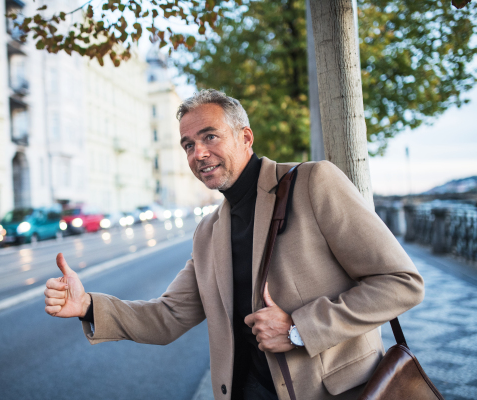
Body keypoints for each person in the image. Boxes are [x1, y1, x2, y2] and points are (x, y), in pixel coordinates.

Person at [44, 89, 424, 400]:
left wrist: (297, 329)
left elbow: (400, 282)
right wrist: (89, 305)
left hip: (336, 392)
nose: (198, 153)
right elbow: (168, 317)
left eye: (210, 136)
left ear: (245, 137)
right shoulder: (208, 232)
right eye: (188, 145)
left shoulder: (313, 183)